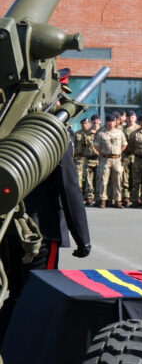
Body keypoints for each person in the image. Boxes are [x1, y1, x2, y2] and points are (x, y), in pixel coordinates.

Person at [0, 136, 91, 343]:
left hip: (7, 229)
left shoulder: (8, 123)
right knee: (38, 299)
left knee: (16, 295)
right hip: (40, 232)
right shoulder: (53, 134)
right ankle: (28, 357)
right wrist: (81, 236)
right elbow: (68, 186)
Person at [93, 114, 128, 208]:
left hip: (117, 159)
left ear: (115, 122)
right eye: (109, 121)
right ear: (106, 122)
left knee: (117, 180)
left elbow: (124, 144)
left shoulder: (119, 132)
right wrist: (102, 153)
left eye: (112, 121)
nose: (111, 123)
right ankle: (103, 200)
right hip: (105, 159)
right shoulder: (101, 132)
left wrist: (119, 151)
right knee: (103, 180)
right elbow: (96, 145)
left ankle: (117, 200)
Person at [121, 110, 140, 207]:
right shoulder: (122, 129)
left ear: (135, 118)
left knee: (136, 177)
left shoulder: (139, 128)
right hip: (126, 155)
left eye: (132, 117)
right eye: (129, 117)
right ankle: (126, 196)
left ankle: (136, 197)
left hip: (136, 156)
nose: (130, 119)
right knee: (125, 177)